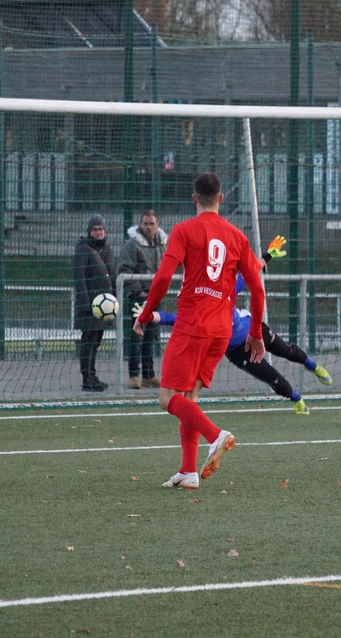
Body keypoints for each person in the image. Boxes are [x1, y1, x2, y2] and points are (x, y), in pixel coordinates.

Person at [133, 172, 267, 489]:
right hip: (222, 329)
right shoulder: (237, 236)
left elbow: (164, 277)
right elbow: (257, 289)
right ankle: (188, 471)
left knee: (167, 398)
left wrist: (147, 313)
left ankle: (215, 435)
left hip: (193, 324)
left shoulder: (183, 230)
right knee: (189, 397)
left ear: (194, 199)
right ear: (221, 199)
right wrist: (256, 333)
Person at [135, 236, 332, 415]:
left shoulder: (226, 289)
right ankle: (297, 400)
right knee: (273, 379)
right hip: (239, 351)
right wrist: (149, 315)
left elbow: (251, 272)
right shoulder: (199, 309)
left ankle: (313, 366)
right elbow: (173, 318)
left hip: (254, 331)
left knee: (287, 350)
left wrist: (267, 256)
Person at [117, 210, 167, 389]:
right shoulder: (132, 245)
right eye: (145, 223)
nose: (148, 227)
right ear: (140, 225)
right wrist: (139, 291)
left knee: (152, 337)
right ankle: (133, 375)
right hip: (140, 298)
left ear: (157, 224)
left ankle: (149, 374)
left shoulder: (162, 244)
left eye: (152, 223)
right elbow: (124, 269)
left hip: (156, 297)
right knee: (137, 336)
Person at [72, 214, 117, 392]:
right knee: (88, 341)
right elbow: (79, 278)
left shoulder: (106, 249)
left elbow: (112, 275)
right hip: (90, 306)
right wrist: (84, 303)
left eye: (101, 229)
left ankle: (93, 375)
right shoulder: (83, 250)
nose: (99, 232)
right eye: (95, 229)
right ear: (90, 231)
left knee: (96, 341)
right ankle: (86, 378)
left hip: (104, 307)